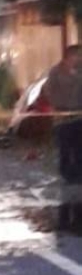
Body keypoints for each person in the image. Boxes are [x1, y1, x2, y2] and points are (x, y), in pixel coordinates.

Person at [47, 46, 82, 182]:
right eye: (77, 55)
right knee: (65, 147)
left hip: (79, 115)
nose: (79, 58)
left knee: (79, 147)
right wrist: (59, 105)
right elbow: (50, 92)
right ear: (68, 57)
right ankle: (66, 174)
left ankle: (79, 174)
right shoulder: (55, 72)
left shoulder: (80, 71)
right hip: (62, 117)